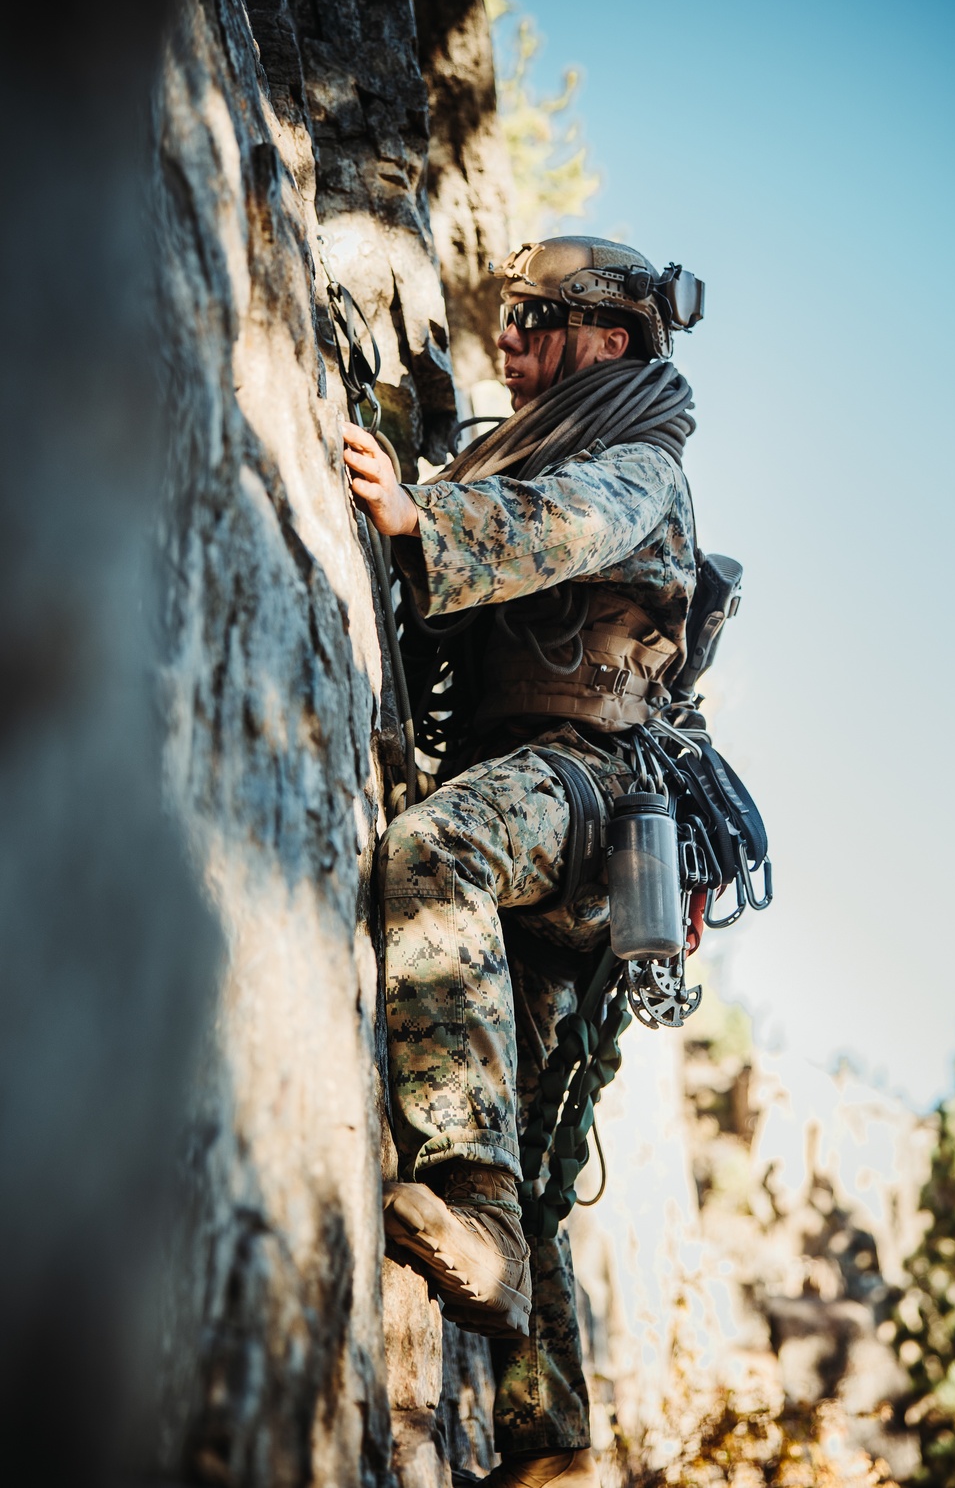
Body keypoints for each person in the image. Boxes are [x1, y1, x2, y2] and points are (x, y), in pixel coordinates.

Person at [342, 236, 701, 1488]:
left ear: (609, 338)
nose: (512, 335)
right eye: (508, 313)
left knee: (435, 851)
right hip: (555, 809)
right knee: (534, 1115)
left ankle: (475, 1209)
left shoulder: (639, 467)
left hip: (587, 788)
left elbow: (560, 529)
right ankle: (547, 1434)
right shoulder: (532, 446)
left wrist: (415, 513)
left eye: (539, 316)